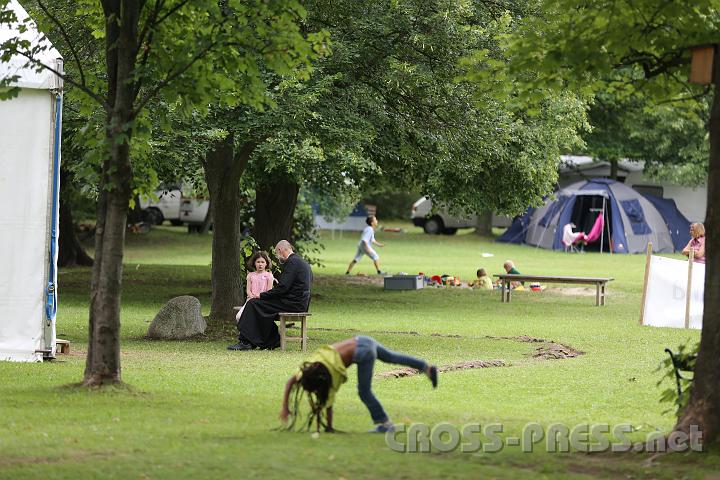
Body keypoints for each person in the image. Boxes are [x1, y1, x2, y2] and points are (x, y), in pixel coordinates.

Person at [279, 336, 437, 433]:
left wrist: (329, 427)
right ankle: (426, 367)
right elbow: (290, 382)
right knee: (392, 357)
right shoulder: (313, 365)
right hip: (362, 340)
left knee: (364, 391)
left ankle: (385, 424)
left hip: (363, 352)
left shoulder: (330, 374)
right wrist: (285, 406)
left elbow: (329, 404)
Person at [228, 240, 312, 351]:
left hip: (292, 304)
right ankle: (272, 340)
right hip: (299, 303)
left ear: (280, 250)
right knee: (259, 307)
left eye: (277, 254)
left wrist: (262, 295)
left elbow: (283, 288)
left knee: (253, 303)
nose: (278, 258)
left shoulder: (292, 262)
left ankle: (245, 342)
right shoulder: (302, 262)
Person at [235, 251, 274, 322]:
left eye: (262, 262)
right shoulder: (250, 275)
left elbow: (269, 291)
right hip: (251, 301)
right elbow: (248, 291)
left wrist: (259, 296)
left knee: (258, 318)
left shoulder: (269, 276)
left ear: (266, 263)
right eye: (258, 262)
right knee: (239, 316)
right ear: (254, 263)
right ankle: (245, 332)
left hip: (263, 301)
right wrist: (252, 297)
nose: (260, 264)